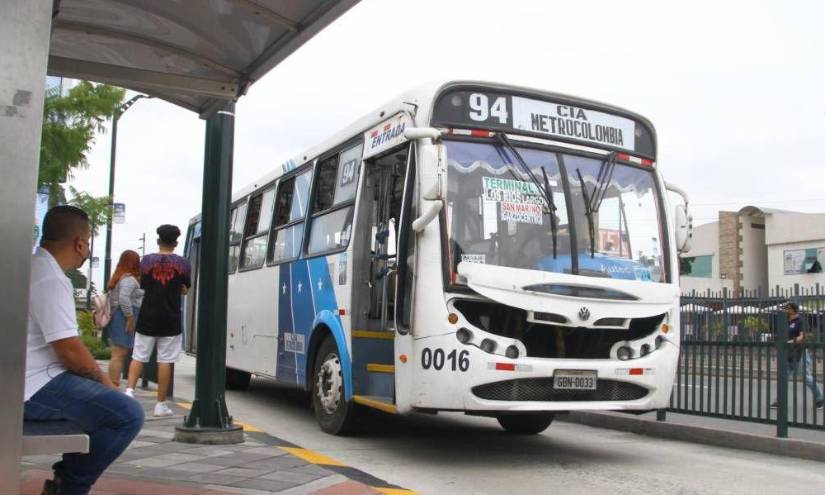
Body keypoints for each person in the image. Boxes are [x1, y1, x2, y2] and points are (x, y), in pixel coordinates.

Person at [24, 205, 144, 495]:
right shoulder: (51, 279)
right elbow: (70, 350)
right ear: (79, 243)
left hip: (25, 377)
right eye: (88, 242)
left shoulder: (34, 266)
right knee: (126, 414)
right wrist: (107, 385)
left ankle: (65, 482)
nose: (87, 249)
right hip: (32, 387)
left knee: (103, 407)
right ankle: (69, 487)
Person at [125, 224, 191, 417]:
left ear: (158, 241)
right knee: (165, 361)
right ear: (176, 243)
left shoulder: (146, 261)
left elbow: (142, 284)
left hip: (147, 316)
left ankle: (129, 392)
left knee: (138, 356)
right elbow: (185, 288)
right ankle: (160, 405)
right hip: (170, 318)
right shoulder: (183, 264)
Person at [771, 302, 824, 410]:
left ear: (792, 310)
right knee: (783, 378)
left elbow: (803, 337)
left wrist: (790, 342)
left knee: (806, 378)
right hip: (788, 354)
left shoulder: (801, 321)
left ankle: (820, 399)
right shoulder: (786, 322)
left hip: (800, 353)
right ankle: (779, 401)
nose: (785, 311)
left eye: (787, 309)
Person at [106, 250, 143, 387]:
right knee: (119, 353)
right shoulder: (128, 279)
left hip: (118, 316)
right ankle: (113, 384)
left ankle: (112, 383)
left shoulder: (120, 277)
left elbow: (131, 294)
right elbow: (124, 298)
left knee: (118, 352)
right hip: (123, 317)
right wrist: (129, 317)